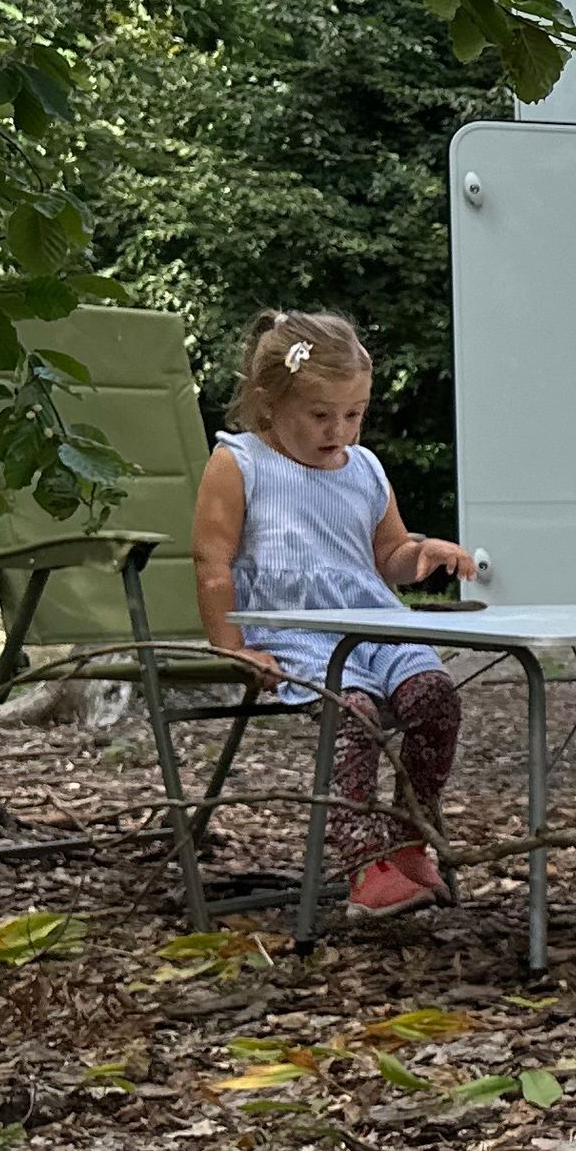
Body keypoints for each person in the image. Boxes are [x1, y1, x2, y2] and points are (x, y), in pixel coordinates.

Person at [192, 311, 472, 921]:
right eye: (321, 416)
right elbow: (212, 559)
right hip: (293, 632)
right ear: (269, 401)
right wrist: (231, 646)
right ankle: (359, 863)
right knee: (356, 713)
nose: (339, 431)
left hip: (373, 624)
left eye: (354, 414)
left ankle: (408, 838)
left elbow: (387, 555)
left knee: (434, 697)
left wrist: (422, 555)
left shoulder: (365, 468)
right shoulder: (240, 463)